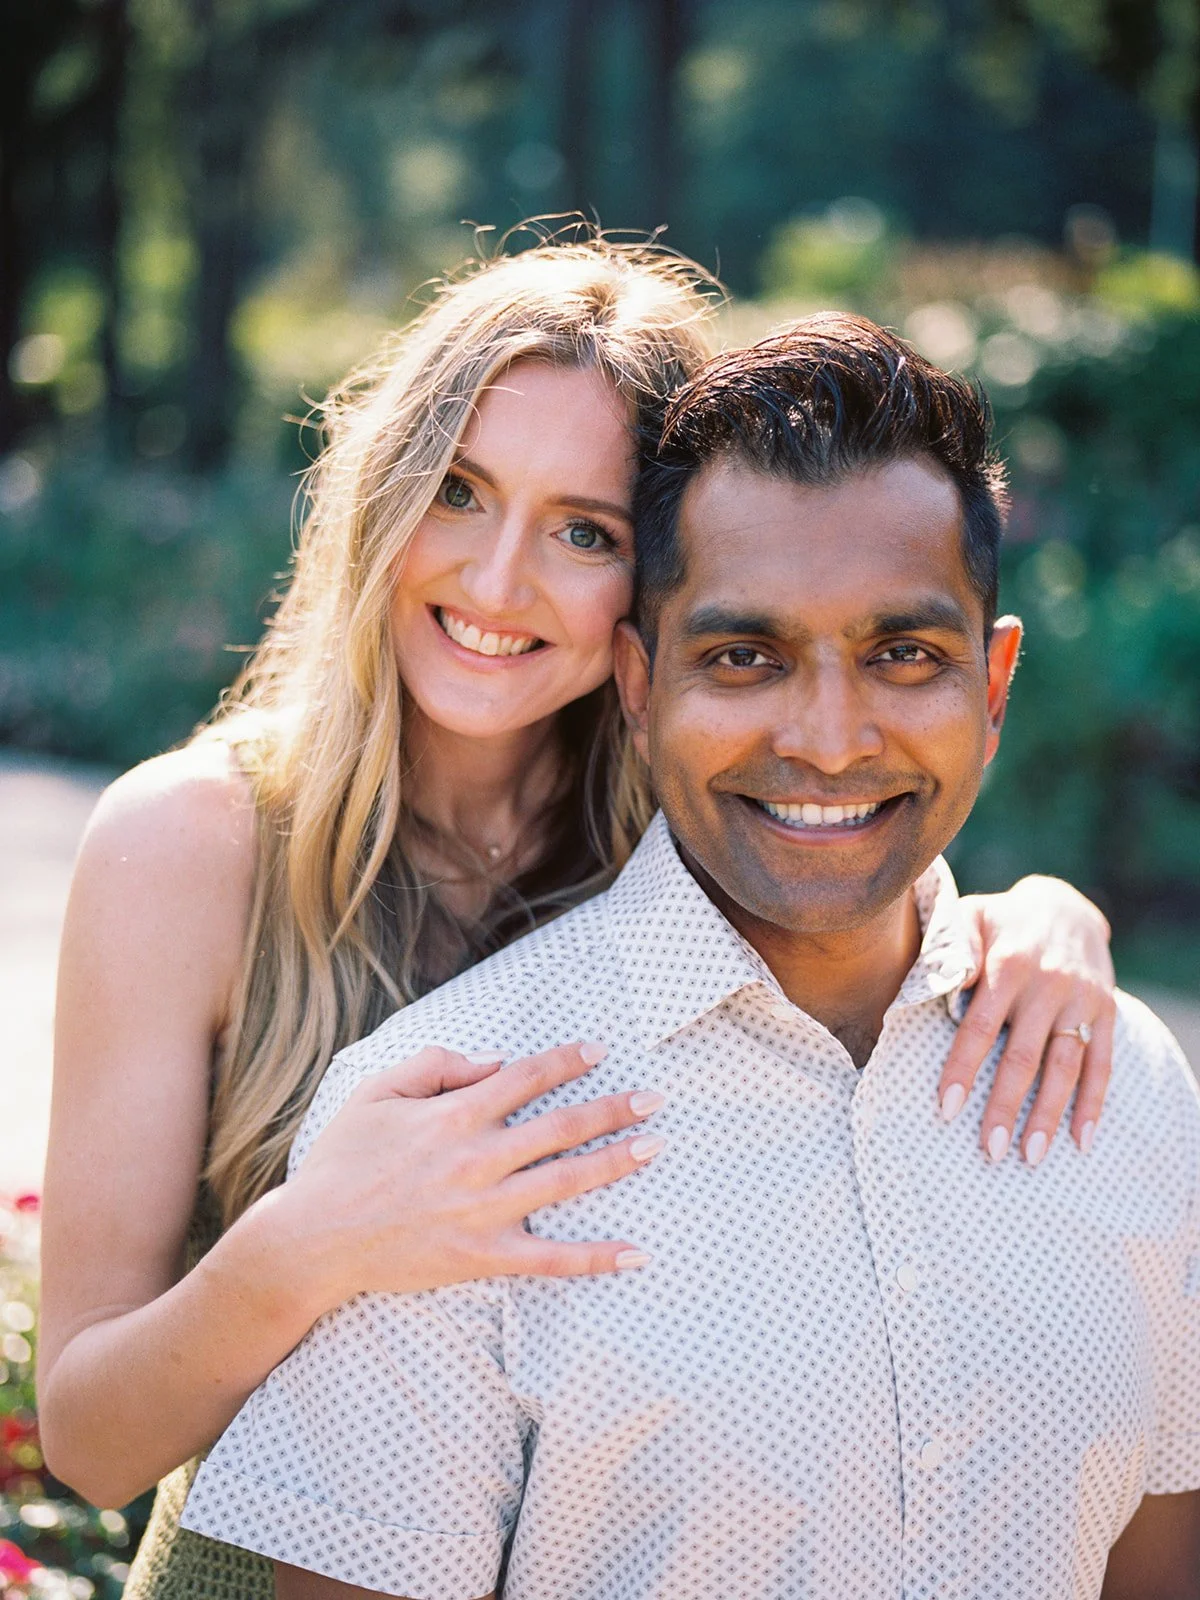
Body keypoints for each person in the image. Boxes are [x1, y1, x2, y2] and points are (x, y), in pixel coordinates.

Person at [38, 240, 1115, 1598]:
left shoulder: (682, 840)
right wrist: (313, 1242)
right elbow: (85, 1437)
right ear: (382, 495)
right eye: (460, 492)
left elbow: (884, 863)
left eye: (584, 530)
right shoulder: (195, 842)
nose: (497, 581)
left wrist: (1050, 915)